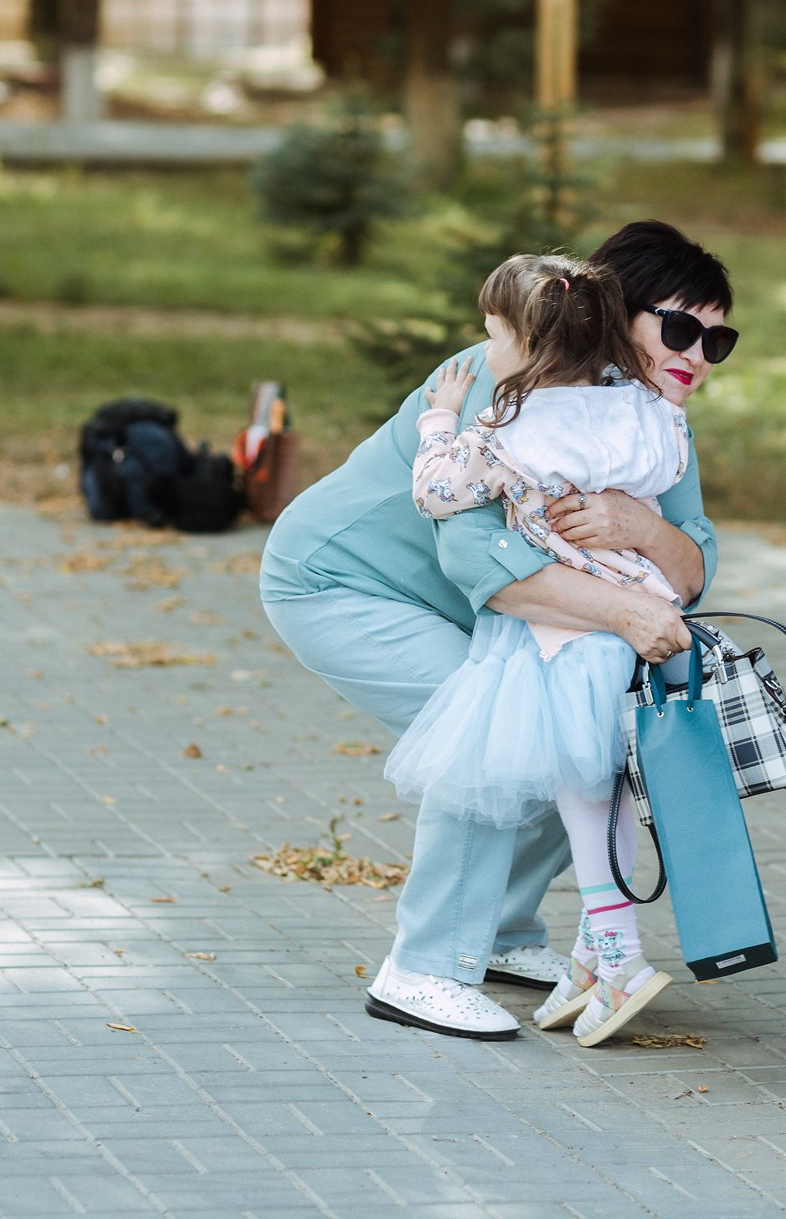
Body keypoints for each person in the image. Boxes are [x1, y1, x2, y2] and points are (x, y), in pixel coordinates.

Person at [258, 220, 736, 1039]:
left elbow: (695, 562)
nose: (697, 352)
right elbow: (479, 557)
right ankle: (423, 970)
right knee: (492, 732)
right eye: (680, 326)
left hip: (479, 609)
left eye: (718, 338)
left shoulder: (652, 412)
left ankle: (507, 935)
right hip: (340, 582)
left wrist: (640, 527)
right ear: (615, 313)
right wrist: (624, 609)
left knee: (579, 736)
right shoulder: (511, 378)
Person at [386, 254, 685, 1045]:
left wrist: (438, 420)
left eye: (491, 334)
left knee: (579, 786)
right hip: (637, 618)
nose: (483, 352)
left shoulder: (510, 429)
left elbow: (436, 493)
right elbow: (670, 470)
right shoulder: (643, 412)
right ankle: (593, 953)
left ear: (525, 342)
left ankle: (617, 950)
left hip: (560, 630)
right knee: (607, 783)